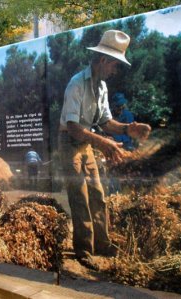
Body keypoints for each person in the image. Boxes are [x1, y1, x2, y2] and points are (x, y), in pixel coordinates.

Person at [58, 30, 151, 266]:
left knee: (98, 194)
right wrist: (103, 142)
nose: (115, 71)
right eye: (115, 66)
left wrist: (129, 128)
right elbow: (72, 127)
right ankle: (84, 250)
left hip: (87, 142)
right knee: (79, 195)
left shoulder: (102, 88)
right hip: (70, 142)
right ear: (103, 61)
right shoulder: (76, 84)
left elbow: (106, 123)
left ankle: (103, 243)